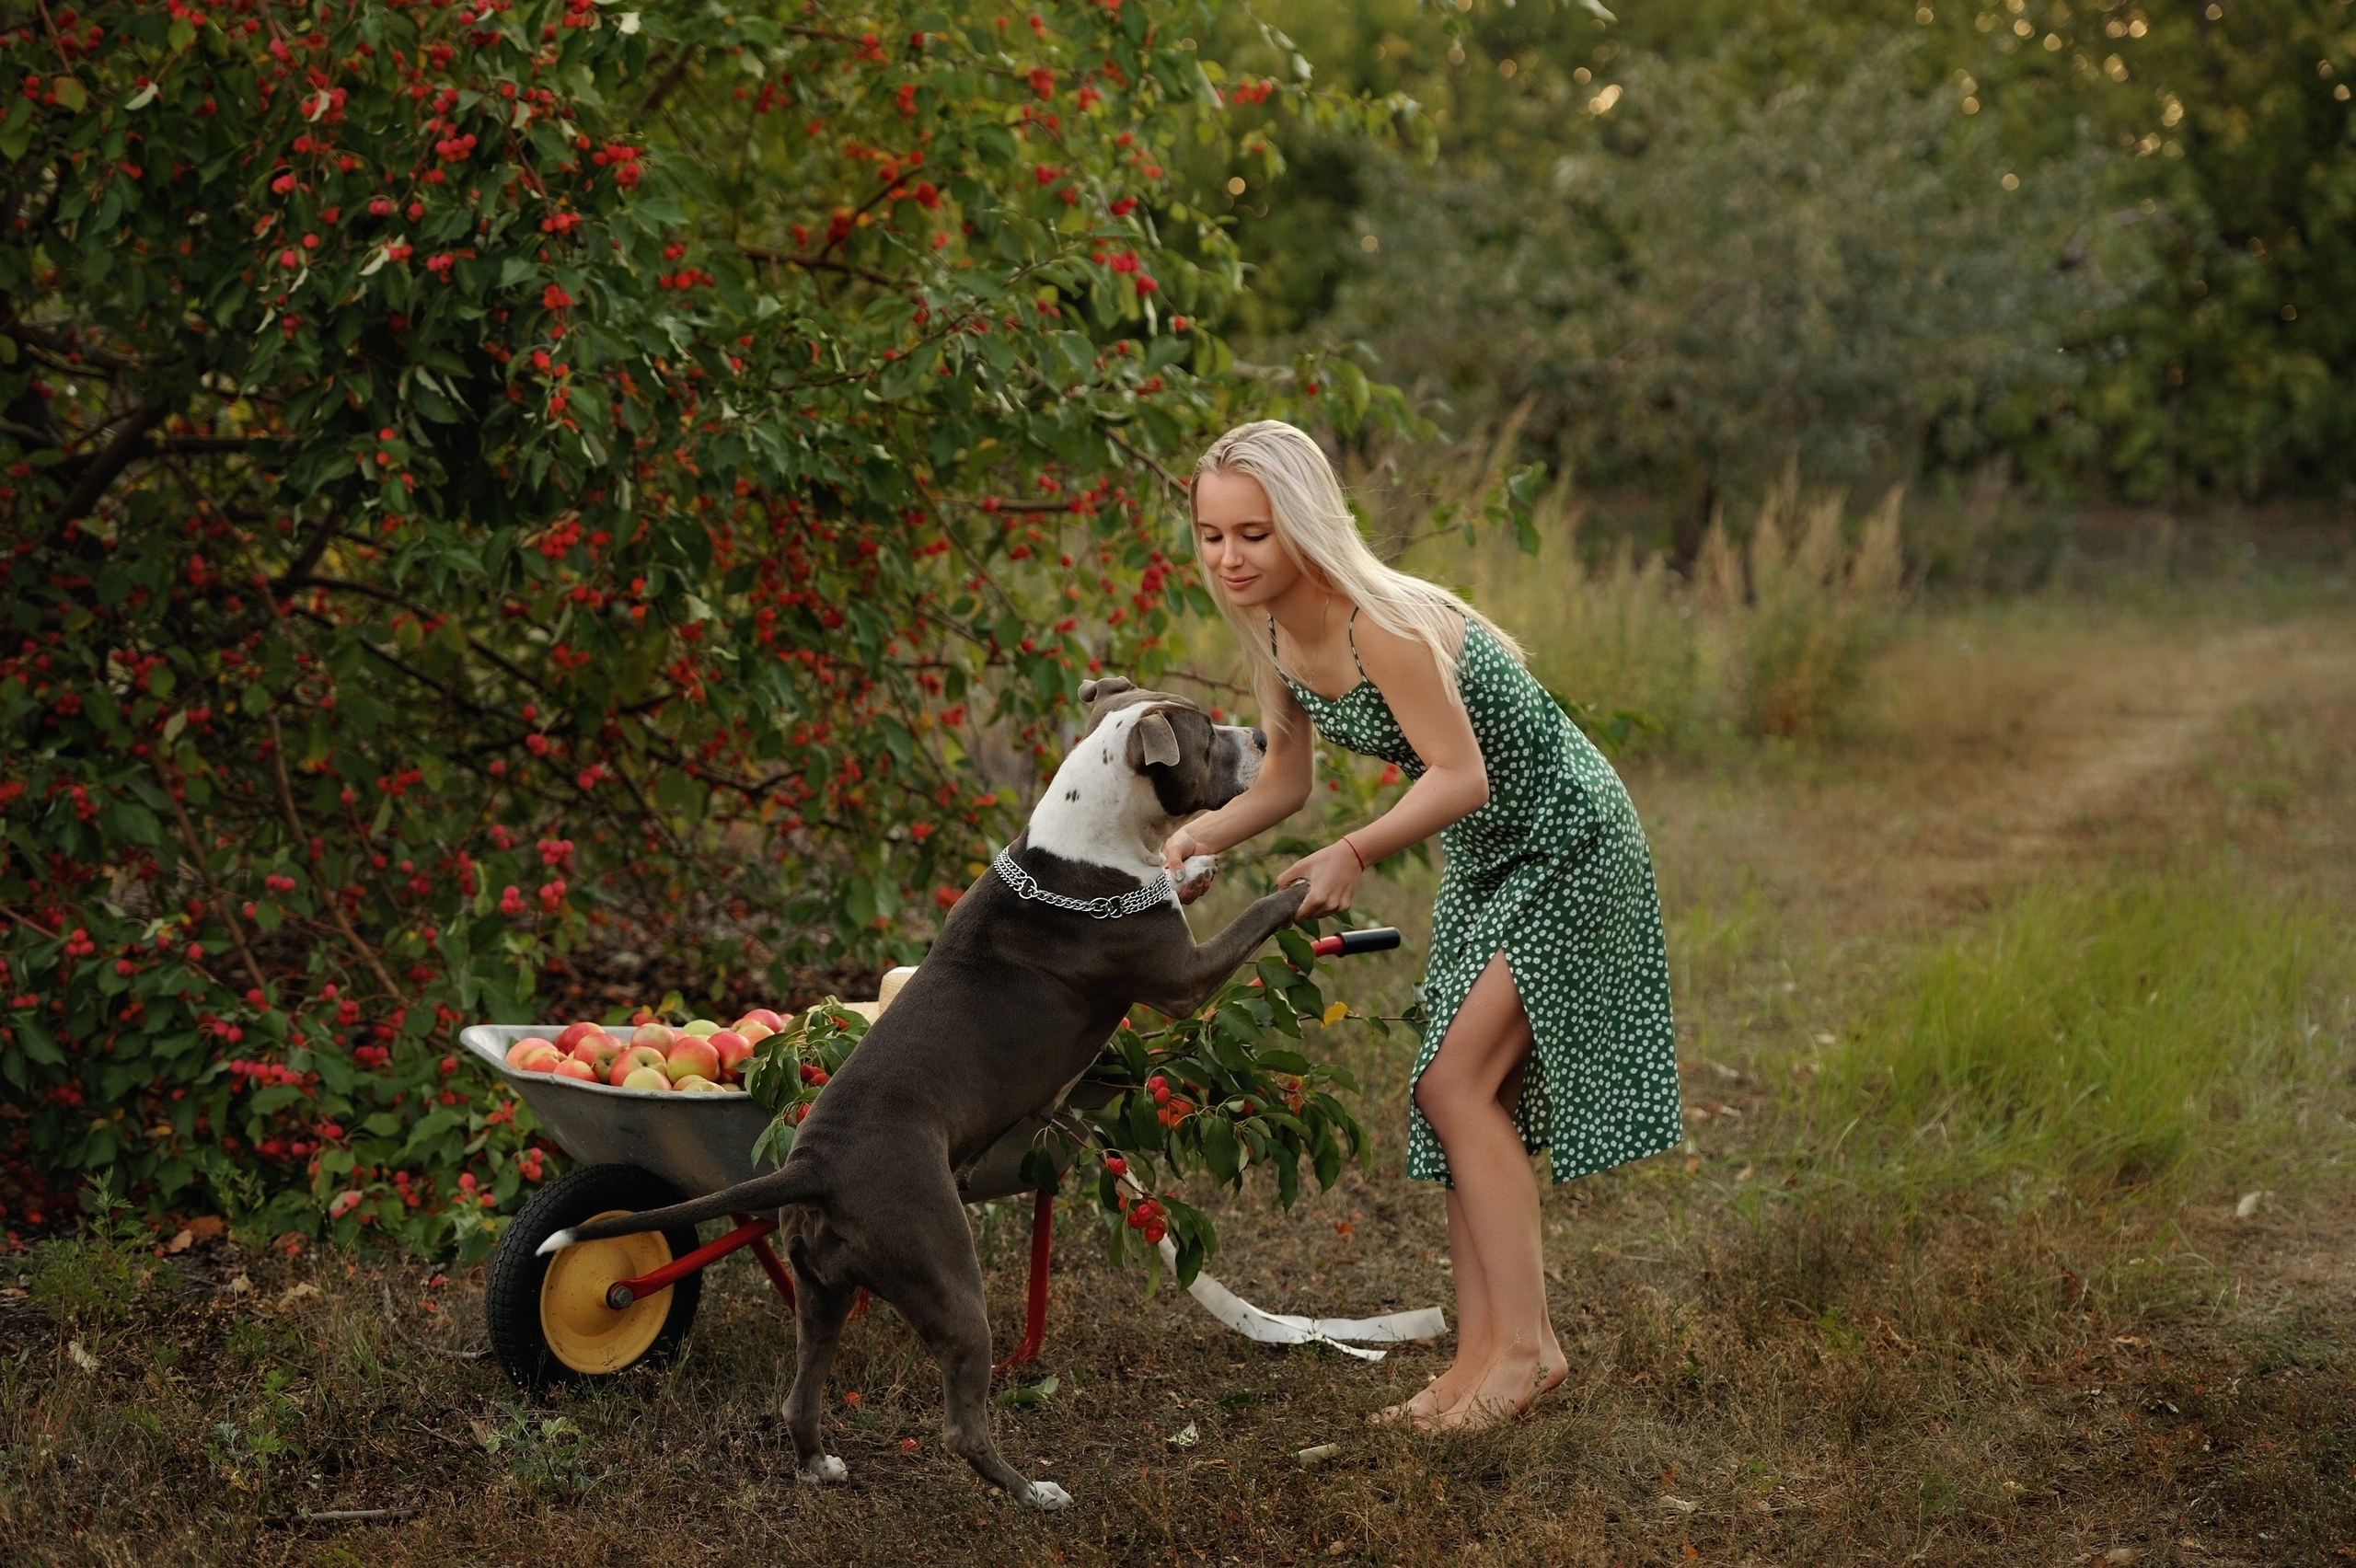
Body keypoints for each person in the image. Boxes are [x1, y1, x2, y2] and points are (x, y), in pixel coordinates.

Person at [1160, 421, 1680, 1429]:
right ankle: (1478, 1359)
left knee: (1453, 1083)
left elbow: (1461, 773)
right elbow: (1285, 781)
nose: (1229, 559)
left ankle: (1525, 1352)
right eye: (1211, 534)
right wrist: (1193, 841)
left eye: (1253, 535)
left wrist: (1357, 851)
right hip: (1488, 855)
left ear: (1303, 526)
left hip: (1570, 839)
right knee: (1453, 1097)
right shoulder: (1269, 628)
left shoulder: (1376, 624)